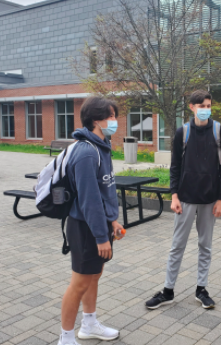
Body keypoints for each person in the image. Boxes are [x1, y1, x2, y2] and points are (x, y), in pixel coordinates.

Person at [145, 90, 221, 310]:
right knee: (177, 246)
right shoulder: (183, 132)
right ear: (191, 107)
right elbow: (175, 167)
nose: (206, 109)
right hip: (185, 199)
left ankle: (201, 290)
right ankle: (168, 291)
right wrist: (174, 196)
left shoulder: (219, 131)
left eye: (209, 105)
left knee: (205, 246)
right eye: (201, 106)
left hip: (210, 200)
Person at [57, 97, 124, 345]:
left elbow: (105, 189)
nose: (115, 121)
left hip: (99, 225)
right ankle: (65, 338)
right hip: (85, 227)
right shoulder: (86, 152)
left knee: (94, 275)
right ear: (96, 120)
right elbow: (89, 200)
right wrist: (100, 236)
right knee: (79, 282)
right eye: (111, 116)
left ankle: (89, 324)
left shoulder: (102, 145)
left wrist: (113, 221)